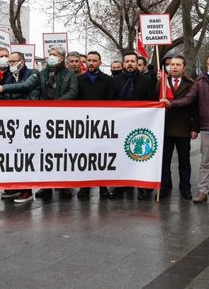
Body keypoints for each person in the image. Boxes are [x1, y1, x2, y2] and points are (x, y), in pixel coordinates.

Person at [164, 55, 209, 204]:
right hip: (208, 129)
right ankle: (202, 190)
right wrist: (171, 103)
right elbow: (189, 99)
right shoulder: (200, 82)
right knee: (205, 162)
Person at [0, 52, 40, 203]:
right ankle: (16, 187)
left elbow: (25, 86)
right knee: (13, 155)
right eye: (9, 61)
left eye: (13, 61)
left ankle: (27, 190)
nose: (9, 63)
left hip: (29, 121)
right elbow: (6, 95)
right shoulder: (9, 78)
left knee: (26, 157)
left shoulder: (33, 73)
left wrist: (2, 88)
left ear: (22, 62)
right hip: (13, 122)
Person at [113, 50, 158, 199]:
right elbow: (109, 102)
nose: (130, 64)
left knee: (139, 155)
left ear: (137, 64)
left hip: (141, 125)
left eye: (133, 61)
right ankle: (120, 186)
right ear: (123, 63)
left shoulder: (146, 81)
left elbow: (152, 101)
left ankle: (141, 187)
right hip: (120, 125)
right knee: (120, 156)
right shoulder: (116, 80)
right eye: (127, 62)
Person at [34, 46, 78, 200]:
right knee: (45, 153)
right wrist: (42, 105)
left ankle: (64, 185)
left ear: (62, 58)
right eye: (50, 54)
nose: (51, 56)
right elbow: (37, 91)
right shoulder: (42, 74)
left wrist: (56, 105)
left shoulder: (70, 74)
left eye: (55, 54)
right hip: (44, 118)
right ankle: (45, 186)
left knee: (63, 152)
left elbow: (72, 92)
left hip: (63, 117)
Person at [75, 51, 117, 199]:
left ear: (100, 62)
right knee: (85, 156)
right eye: (89, 60)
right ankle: (84, 186)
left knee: (101, 156)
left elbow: (112, 101)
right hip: (84, 124)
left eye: (94, 60)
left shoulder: (109, 80)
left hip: (102, 124)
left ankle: (103, 186)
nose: (91, 63)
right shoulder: (79, 80)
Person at [161, 55, 198, 200]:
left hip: (183, 128)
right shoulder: (162, 83)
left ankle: (185, 188)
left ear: (184, 67)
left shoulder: (190, 84)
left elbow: (195, 107)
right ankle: (164, 186)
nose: (174, 67)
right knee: (165, 161)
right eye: (172, 65)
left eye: (178, 65)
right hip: (165, 128)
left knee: (184, 162)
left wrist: (195, 128)